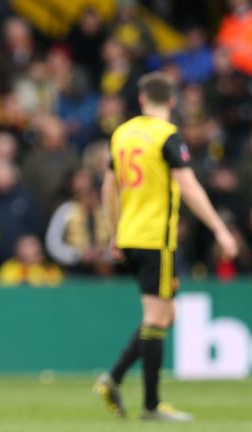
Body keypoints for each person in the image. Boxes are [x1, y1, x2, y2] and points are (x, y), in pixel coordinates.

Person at [95, 72, 238, 421]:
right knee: (157, 319)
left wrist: (114, 233)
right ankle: (151, 405)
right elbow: (188, 187)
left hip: (129, 236)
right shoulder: (167, 136)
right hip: (156, 238)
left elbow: (108, 189)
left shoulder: (122, 133)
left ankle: (113, 379)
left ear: (142, 101)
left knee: (163, 315)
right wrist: (220, 229)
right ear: (172, 102)